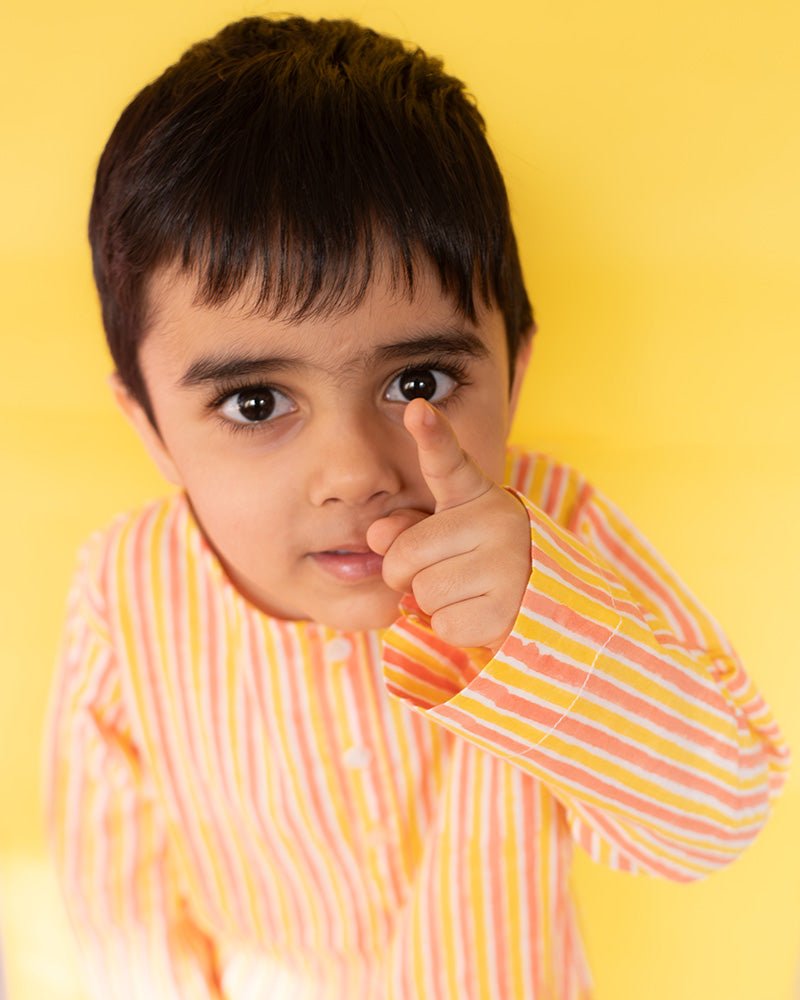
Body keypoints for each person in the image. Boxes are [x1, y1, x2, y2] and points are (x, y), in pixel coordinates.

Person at [43, 15, 789, 1000]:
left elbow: (714, 816)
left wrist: (538, 624)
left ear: (513, 372)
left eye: (419, 381)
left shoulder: (555, 529)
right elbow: (115, 907)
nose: (352, 471)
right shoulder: (124, 593)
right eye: (256, 402)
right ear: (147, 424)